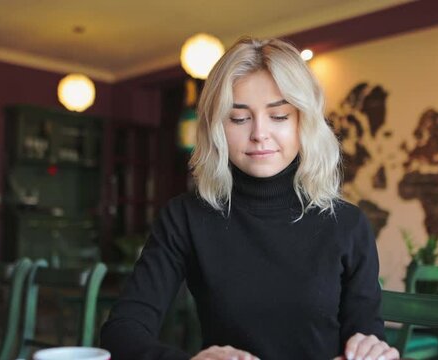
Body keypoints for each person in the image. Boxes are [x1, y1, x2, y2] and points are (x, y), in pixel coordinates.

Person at [101, 37, 399, 360]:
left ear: (304, 122)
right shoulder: (185, 218)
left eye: (279, 116)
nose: (259, 133)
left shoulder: (348, 225)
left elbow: (365, 335)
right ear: (217, 127)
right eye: (239, 118)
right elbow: (122, 331)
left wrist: (372, 352)